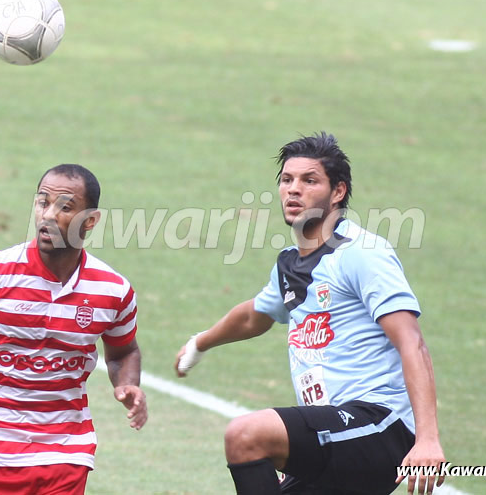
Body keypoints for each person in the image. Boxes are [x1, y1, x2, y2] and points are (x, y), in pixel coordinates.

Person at [175, 133, 445, 495]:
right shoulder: (291, 262)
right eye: (287, 180)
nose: (293, 190)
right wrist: (200, 344)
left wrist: (427, 440)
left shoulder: (362, 253)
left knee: (246, 434)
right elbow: (255, 315)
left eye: (309, 180)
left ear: (338, 192)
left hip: (379, 426)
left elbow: (412, 343)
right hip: (334, 436)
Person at [0, 164, 147, 495]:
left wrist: (128, 386)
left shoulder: (113, 290)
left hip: (63, 452)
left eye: (65, 207)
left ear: (90, 220)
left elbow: (124, 350)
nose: (48, 215)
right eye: (42, 202)